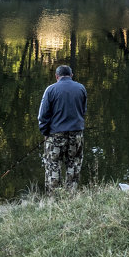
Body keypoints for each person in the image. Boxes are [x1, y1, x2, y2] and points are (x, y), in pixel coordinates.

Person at [38, 64, 87, 193]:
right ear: (71, 75)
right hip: (76, 134)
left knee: (53, 166)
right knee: (74, 164)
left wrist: (45, 132)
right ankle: (71, 195)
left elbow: (43, 116)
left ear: (56, 76)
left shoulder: (50, 90)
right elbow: (83, 111)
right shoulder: (81, 88)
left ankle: (55, 198)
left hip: (55, 135)